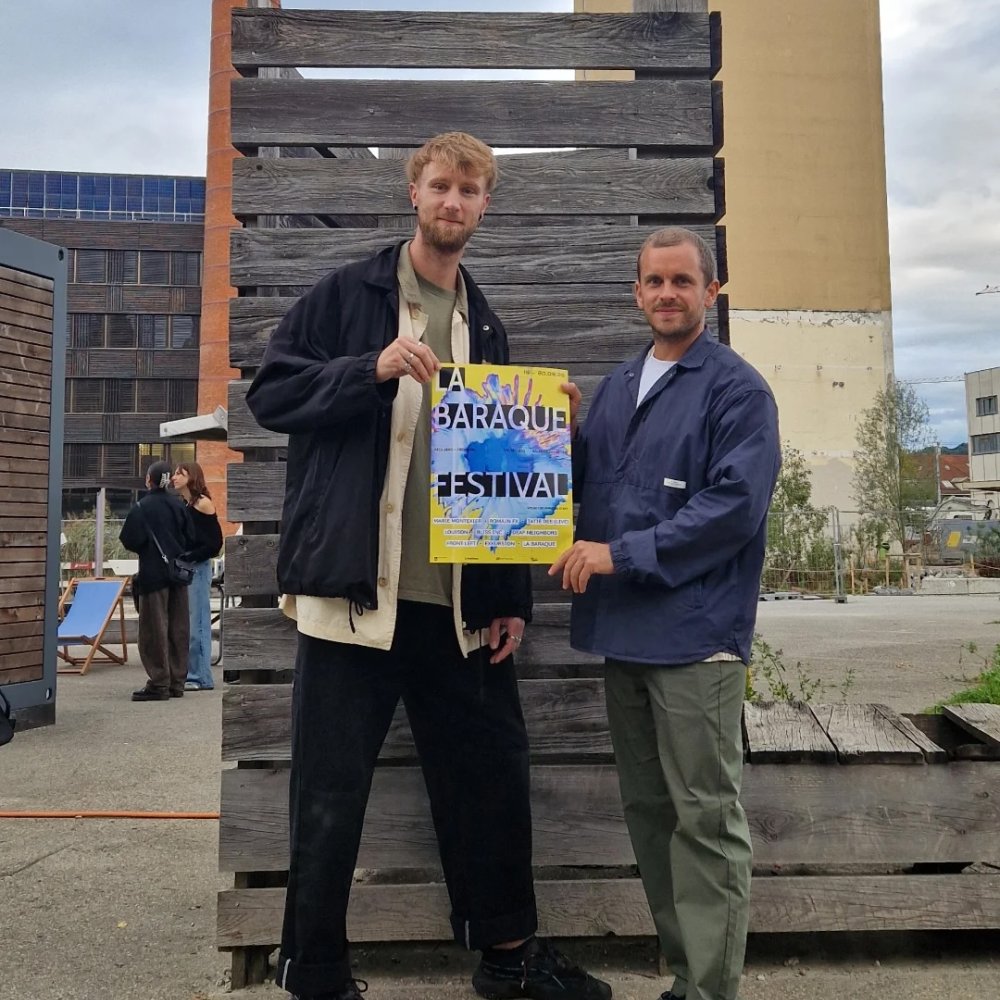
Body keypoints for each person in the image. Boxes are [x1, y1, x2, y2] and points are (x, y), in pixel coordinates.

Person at [245, 132, 611, 1000]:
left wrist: (544, 434)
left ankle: (509, 958)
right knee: (327, 795)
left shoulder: (487, 324)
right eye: (441, 185)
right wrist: (367, 369)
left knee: (491, 780)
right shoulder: (346, 296)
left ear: (485, 205)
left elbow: (501, 480)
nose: (454, 202)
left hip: (458, 608)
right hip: (353, 601)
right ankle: (315, 974)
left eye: (469, 191)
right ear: (414, 192)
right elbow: (270, 394)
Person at [550, 227, 781, 1000]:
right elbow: (596, 486)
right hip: (625, 638)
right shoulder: (618, 386)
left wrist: (621, 554)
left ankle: (708, 989)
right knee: (650, 815)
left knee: (704, 820)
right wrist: (556, 436)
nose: (667, 294)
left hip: (696, 641)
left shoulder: (738, 391)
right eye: (654, 281)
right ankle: (686, 976)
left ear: (711, 292)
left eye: (683, 281)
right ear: (637, 292)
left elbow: (733, 508)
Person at [120, 460, 196, 702]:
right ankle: (177, 682)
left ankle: (159, 682)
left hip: (153, 575)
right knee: (179, 628)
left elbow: (129, 539)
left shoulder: (142, 507)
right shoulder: (179, 505)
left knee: (154, 630)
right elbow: (191, 537)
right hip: (178, 575)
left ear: (148, 480)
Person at [171, 461, 223, 691]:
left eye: (179, 474)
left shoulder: (203, 503)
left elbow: (214, 543)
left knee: (198, 622)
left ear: (191, 477)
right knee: (188, 622)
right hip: (187, 567)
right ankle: (192, 673)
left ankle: (200, 676)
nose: (174, 477)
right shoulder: (185, 504)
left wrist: (190, 556)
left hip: (198, 567)